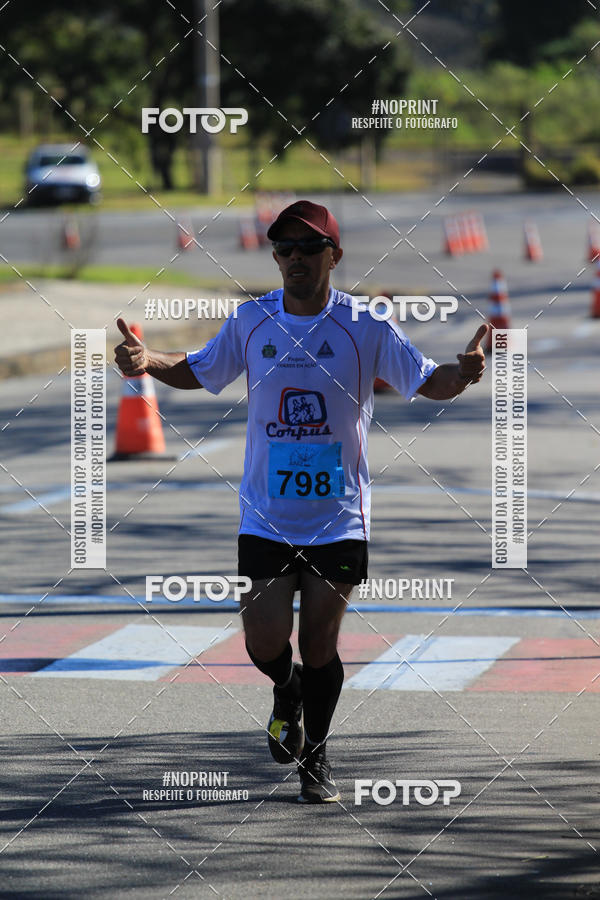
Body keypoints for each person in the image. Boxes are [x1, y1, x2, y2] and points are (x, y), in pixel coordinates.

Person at [114, 200, 487, 804]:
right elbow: (202, 369)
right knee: (264, 643)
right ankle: (285, 690)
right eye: (284, 248)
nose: (295, 258)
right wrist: (149, 361)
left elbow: (429, 380)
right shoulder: (251, 321)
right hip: (266, 515)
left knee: (320, 645)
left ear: (333, 256)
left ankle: (316, 755)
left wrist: (464, 373)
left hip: (339, 518)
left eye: (309, 248)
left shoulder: (366, 326)